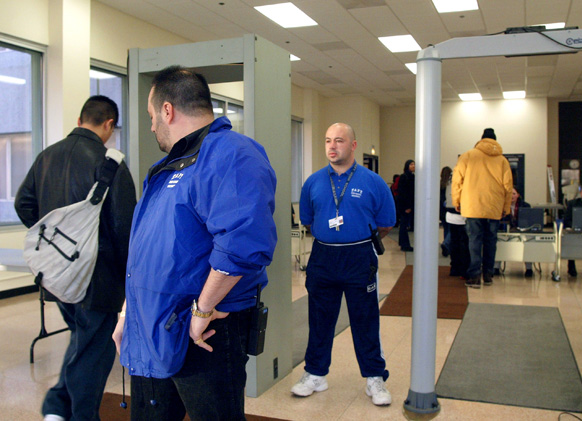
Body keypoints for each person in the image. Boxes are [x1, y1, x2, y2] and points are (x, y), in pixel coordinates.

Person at [112, 66, 277, 420]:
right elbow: (147, 251)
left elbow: (243, 245)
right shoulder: (166, 168)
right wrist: (129, 312)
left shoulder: (232, 153)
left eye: (152, 116)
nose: (152, 125)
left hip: (205, 329)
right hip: (153, 327)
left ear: (167, 110)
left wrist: (202, 310)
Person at [14, 95, 136, 421]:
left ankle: (56, 409)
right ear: (109, 123)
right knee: (92, 354)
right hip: (97, 281)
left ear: (81, 119)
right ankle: (79, 415)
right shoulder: (109, 163)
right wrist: (130, 283)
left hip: (56, 276)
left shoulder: (46, 156)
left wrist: (54, 241)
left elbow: (23, 204)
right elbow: (125, 228)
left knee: (82, 341)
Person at [293, 122, 395, 406]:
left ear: (352, 145)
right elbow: (309, 220)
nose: (332, 146)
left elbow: (386, 223)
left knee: (365, 319)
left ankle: (375, 377)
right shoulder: (313, 182)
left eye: (338, 140)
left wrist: (356, 236)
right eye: (327, 141)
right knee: (320, 319)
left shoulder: (372, 182)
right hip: (323, 257)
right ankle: (315, 374)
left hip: (359, 257)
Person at [452, 128, 512, 288]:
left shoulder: (468, 156)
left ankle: (474, 276)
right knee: (491, 241)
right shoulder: (503, 160)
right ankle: (488, 275)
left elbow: (457, 181)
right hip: (494, 206)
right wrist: (506, 207)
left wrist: (457, 201)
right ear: (495, 140)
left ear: (481, 139)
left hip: (473, 206)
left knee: (474, 240)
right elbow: (508, 186)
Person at [494, 188, 534, 277]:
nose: (512, 196)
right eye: (510, 194)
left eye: (514, 193)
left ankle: (529, 268)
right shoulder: (501, 205)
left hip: (522, 231)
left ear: (518, 195)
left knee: (528, 244)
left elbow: (529, 220)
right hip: (505, 231)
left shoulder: (525, 205)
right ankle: (496, 267)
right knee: (499, 243)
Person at [444, 169, 470, 278]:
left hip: (451, 215)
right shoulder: (467, 178)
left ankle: (455, 268)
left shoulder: (451, 179)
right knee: (464, 245)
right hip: (464, 215)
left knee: (454, 244)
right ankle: (464, 270)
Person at [564, 183, 582, 277]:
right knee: (571, 241)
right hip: (576, 232)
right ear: (581, 193)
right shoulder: (573, 203)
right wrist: (574, 227)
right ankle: (571, 266)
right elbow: (567, 220)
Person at [397, 159, 415, 251]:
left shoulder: (412, 177)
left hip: (409, 205)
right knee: (404, 224)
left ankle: (403, 243)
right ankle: (405, 244)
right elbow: (403, 193)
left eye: (414, 164)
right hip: (405, 205)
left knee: (404, 224)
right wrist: (407, 206)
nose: (413, 166)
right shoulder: (404, 177)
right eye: (411, 164)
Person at [440, 166, 453, 257]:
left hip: (442, 211)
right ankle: (447, 244)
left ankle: (446, 246)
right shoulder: (450, 185)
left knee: (446, 229)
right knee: (452, 229)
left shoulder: (440, 184)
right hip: (449, 209)